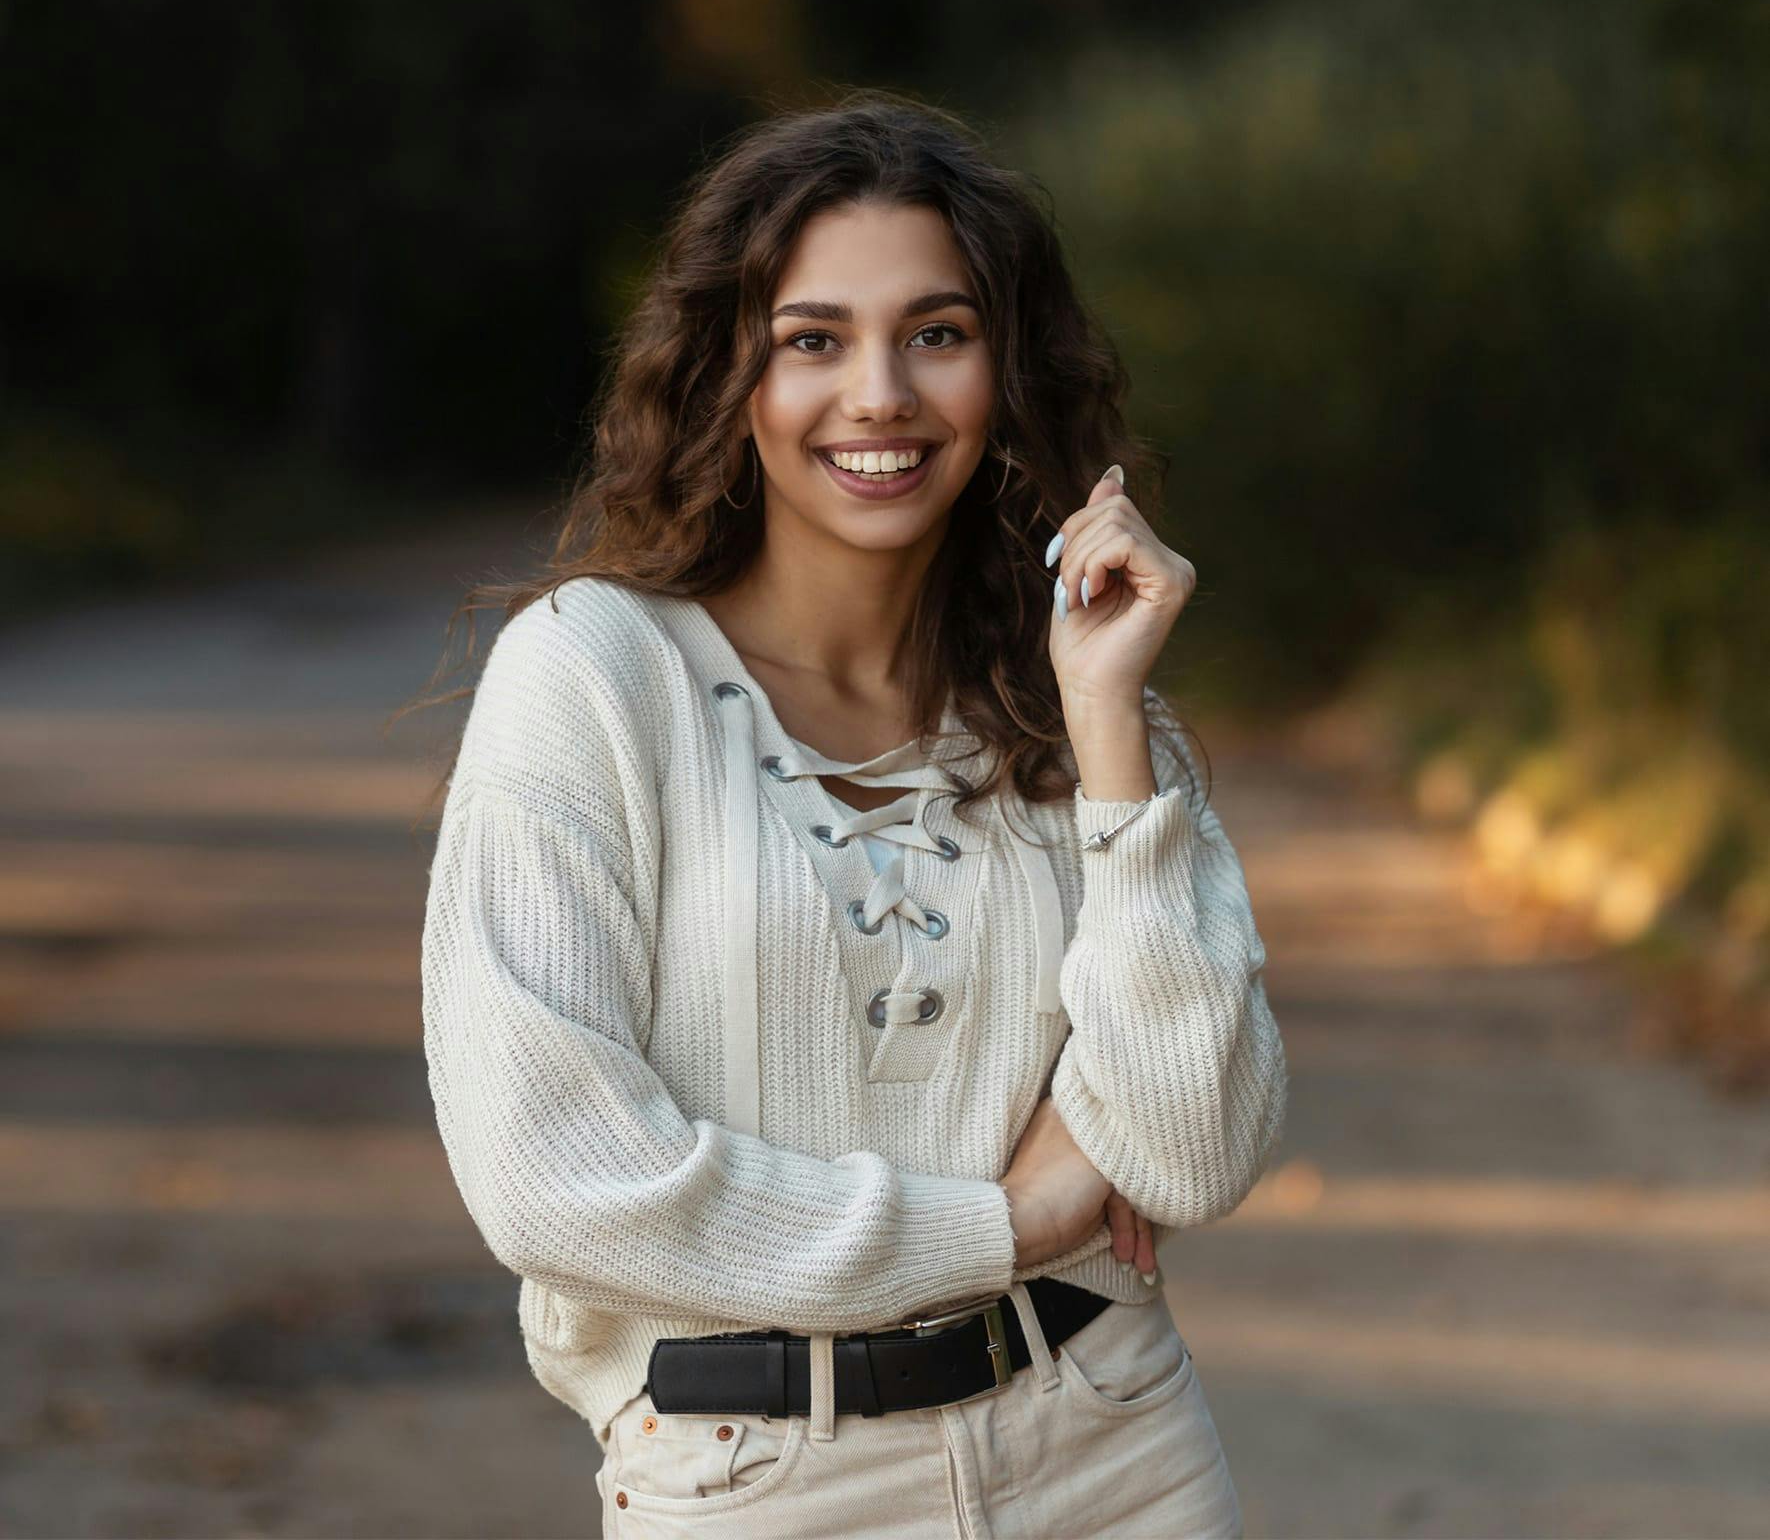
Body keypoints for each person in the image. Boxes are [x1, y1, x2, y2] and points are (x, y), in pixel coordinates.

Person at [417, 89, 1286, 1539]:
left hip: (1114, 1450)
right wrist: (1011, 1221)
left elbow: (1194, 1146)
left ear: (1004, 372)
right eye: (812, 339)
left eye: (936, 334)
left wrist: (1108, 733)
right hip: (755, 1485)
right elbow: (557, 1180)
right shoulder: (593, 677)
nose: (878, 394)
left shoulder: (1073, 701)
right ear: (728, 376)